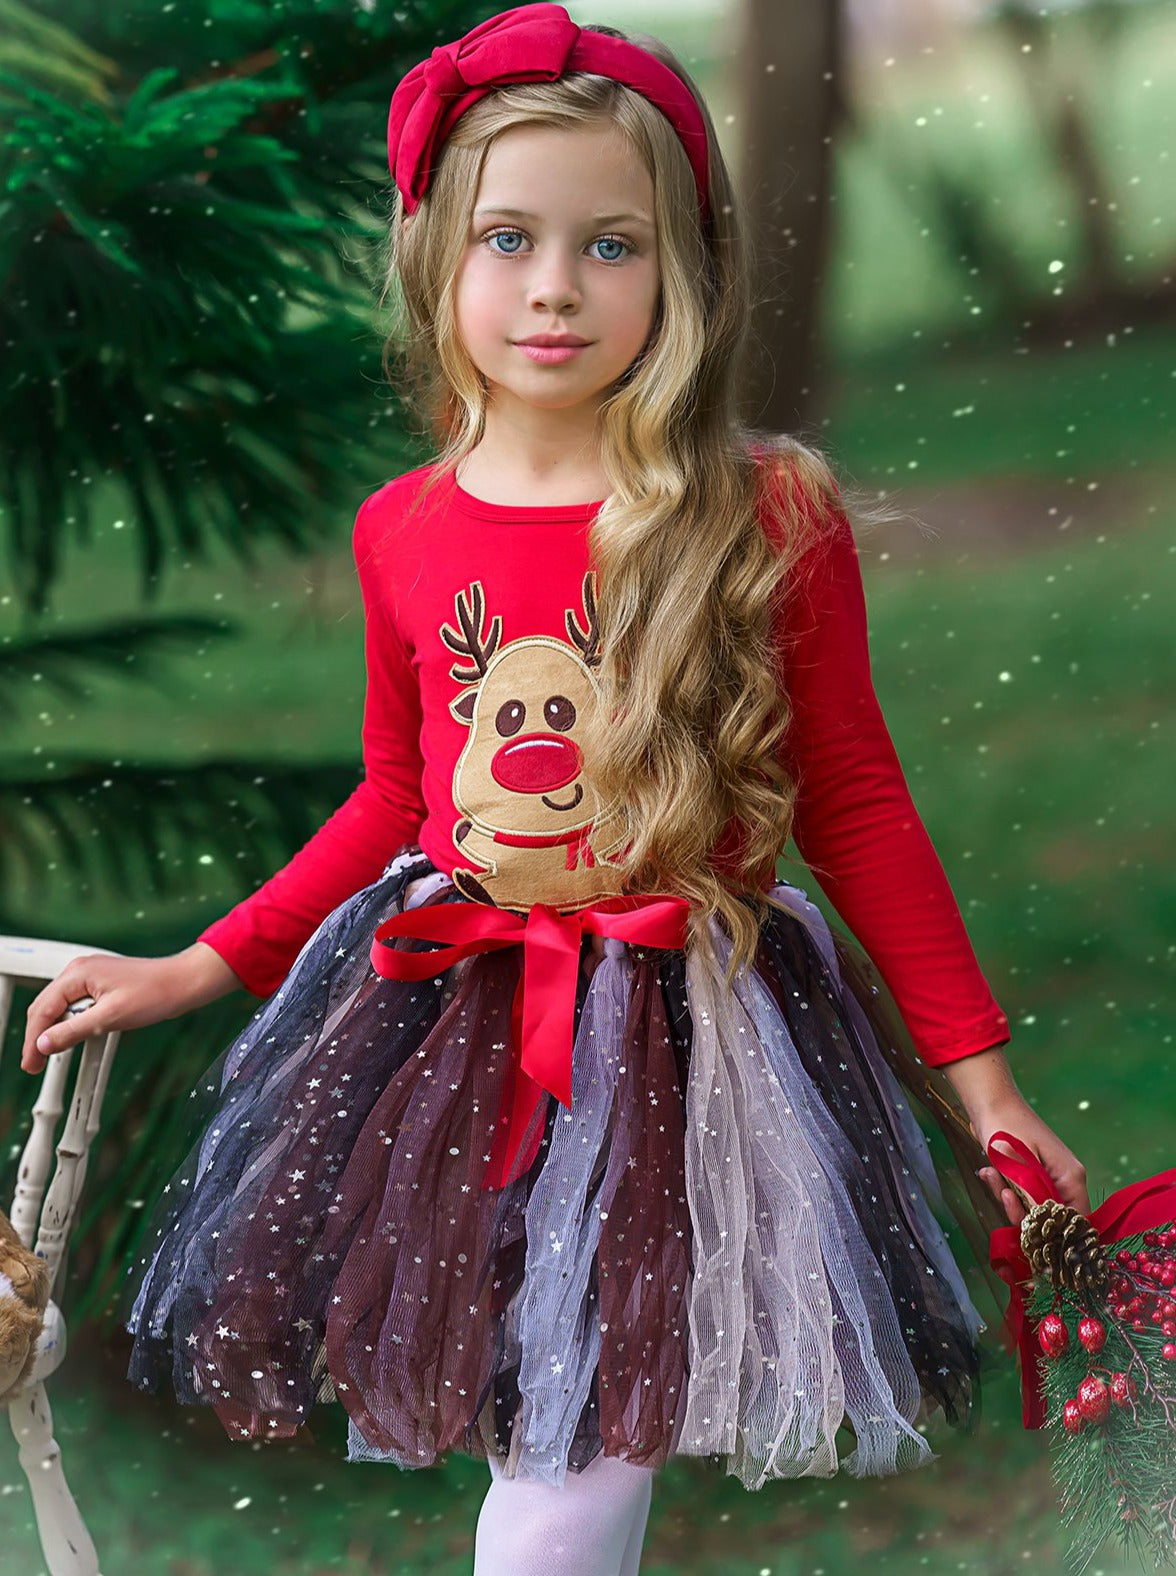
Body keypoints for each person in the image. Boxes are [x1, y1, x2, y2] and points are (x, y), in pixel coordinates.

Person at [20, 6, 1090, 1572]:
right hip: (453, 1023)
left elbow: (854, 799)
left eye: (613, 245)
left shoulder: (758, 512)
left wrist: (982, 1084)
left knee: (584, 1421)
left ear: (683, 273)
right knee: (538, 1400)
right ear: (435, 261)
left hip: (687, 1034)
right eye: (509, 238)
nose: (555, 287)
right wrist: (204, 963)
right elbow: (399, 798)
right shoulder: (406, 528)